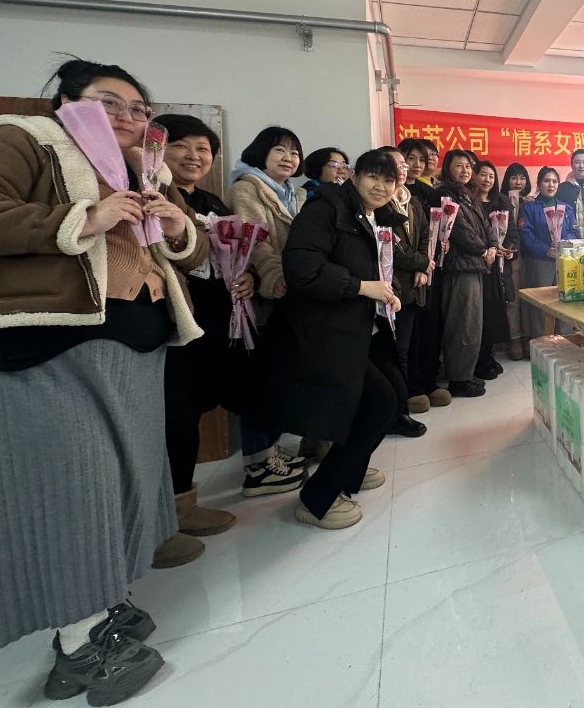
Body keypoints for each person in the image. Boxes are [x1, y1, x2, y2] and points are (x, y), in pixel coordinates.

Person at [0, 59, 206, 701]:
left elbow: (191, 250)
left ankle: (102, 602)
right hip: (39, 349)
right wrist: (83, 219)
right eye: (109, 102)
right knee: (64, 490)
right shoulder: (19, 138)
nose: (127, 117)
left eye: (138, 109)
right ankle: (80, 643)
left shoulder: (144, 169)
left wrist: (179, 228)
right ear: (66, 102)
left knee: (119, 483)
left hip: (130, 345)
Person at [264, 150, 419, 531]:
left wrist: (388, 292)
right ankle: (318, 497)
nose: (381, 186)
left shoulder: (374, 214)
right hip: (325, 329)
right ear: (354, 175)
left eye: (389, 180)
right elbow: (302, 269)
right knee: (380, 402)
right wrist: (363, 287)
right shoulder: (326, 208)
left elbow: (377, 268)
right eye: (373, 177)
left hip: (360, 326)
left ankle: (351, 471)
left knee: (393, 395)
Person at [154, 113, 275, 570]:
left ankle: (184, 505)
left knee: (208, 404)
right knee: (176, 418)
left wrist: (249, 277)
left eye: (203, 149)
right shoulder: (153, 195)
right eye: (181, 145)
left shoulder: (211, 201)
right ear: (157, 151)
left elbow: (240, 253)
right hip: (172, 325)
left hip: (217, 321)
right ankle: (167, 517)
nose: (194, 155)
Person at [228, 125, 321, 479]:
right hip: (262, 295)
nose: (289, 158)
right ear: (261, 152)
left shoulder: (291, 193)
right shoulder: (246, 189)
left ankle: (270, 449)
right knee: (261, 381)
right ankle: (259, 462)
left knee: (278, 377)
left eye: (294, 152)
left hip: (287, 296)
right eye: (280, 150)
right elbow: (255, 243)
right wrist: (274, 278)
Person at [375, 145, 440, 414]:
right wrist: (421, 263)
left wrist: (423, 267)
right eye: (399, 163)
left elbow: (425, 235)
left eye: (404, 164)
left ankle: (413, 391)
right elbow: (392, 245)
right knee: (395, 348)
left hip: (414, 286)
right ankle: (398, 406)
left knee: (412, 342)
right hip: (390, 285)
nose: (403, 169)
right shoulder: (379, 203)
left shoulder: (412, 202)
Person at [437, 150, 493, 397]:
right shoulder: (446, 195)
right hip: (461, 267)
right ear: (448, 168)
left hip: (476, 265)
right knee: (462, 324)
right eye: (458, 165)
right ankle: (458, 379)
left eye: (468, 166)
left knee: (472, 324)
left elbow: (486, 226)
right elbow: (461, 231)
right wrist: (484, 250)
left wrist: (493, 246)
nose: (465, 170)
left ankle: (466, 373)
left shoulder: (469, 196)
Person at [397, 138, 447, 405]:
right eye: (410, 159)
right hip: (405, 276)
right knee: (409, 334)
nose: (417, 164)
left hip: (431, 270)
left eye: (421, 159)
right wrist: (419, 264)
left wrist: (435, 255)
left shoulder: (430, 194)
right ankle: (410, 388)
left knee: (430, 328)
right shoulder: (393, 193)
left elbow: (432, 232)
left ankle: (429, 381)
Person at [519, 167, 579, 337]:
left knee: (565, 302)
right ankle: (541, 342)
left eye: (554, 181)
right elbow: (526, 235)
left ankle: (566, 340)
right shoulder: (529, 208)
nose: (551, 185)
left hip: (563, 262)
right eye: (546, 181)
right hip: (540, 262)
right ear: (539, 184)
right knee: (541, 304)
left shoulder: (566, 208)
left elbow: (575, 233)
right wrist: (546, 250)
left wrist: (562, 245)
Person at [472, 160, 515, 381]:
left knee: (494, 311)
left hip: (499, 267)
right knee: (479, 313)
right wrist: (488, 249)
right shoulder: (469, 201)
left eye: (491, 176)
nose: (487, 180)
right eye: (483, 174)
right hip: (478, 265)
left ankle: (488, 355)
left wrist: (510, 250)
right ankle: (478, 359)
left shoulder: (502, 201)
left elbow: (512, 232)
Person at [501, 161, 532, 359]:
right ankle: (514, 340)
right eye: (514, 177)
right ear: (507, 180)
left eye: (522, 178)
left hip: (530, 258)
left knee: (529, 300)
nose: (518, 182)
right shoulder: (500, 201)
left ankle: (528, 338)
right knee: (512, 301)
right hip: (510, 257)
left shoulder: (531, 202)